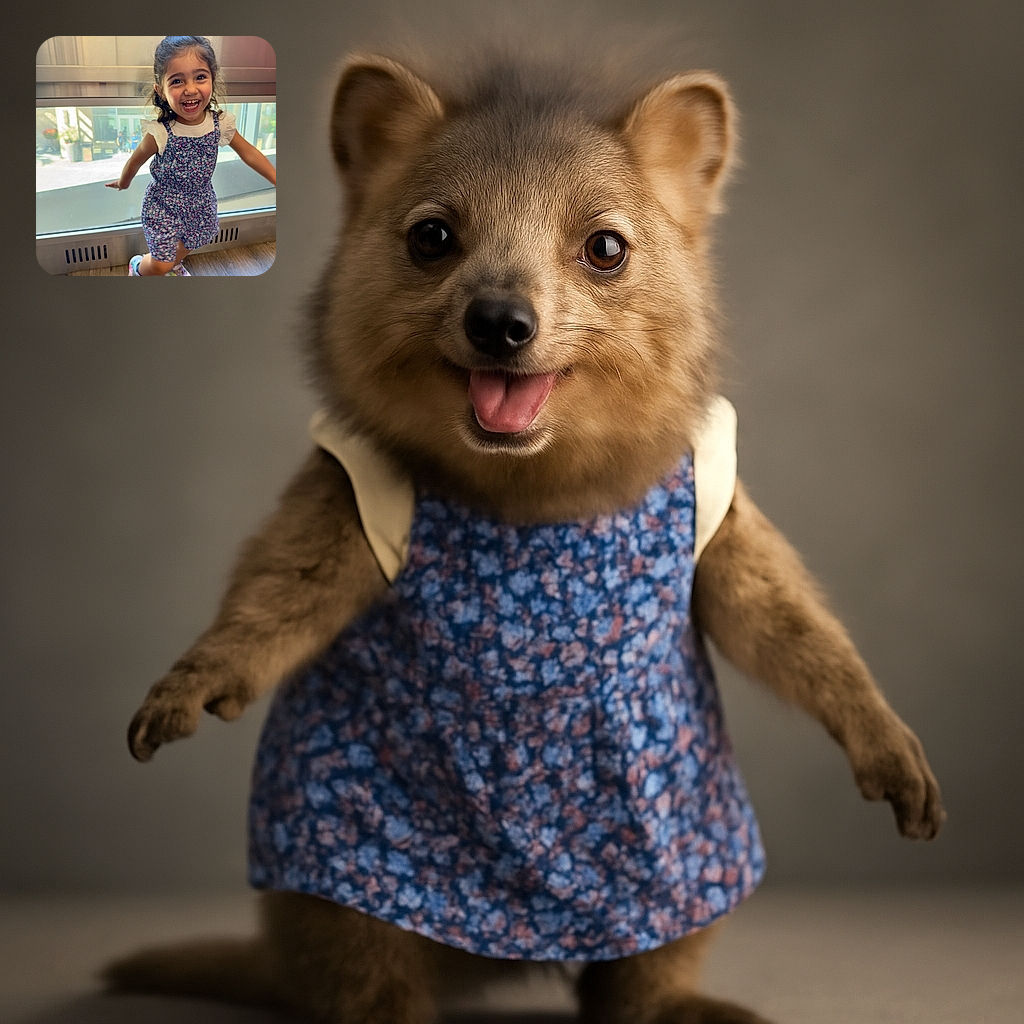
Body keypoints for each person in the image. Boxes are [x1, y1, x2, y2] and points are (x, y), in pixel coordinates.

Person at [105, 36, 277, 276]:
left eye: (200, 77)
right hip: (164, 205)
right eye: (177, 81)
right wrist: (124, 182)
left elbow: (249, 152)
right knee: (159, 265)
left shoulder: (221, 124)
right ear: (161, 91)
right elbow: (135, 160)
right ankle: (137, 266)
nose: (190, 89)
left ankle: (174, 263)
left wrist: (277, 178)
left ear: (213, 80)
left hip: (201, 201)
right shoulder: (161, 132)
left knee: (196, 239)